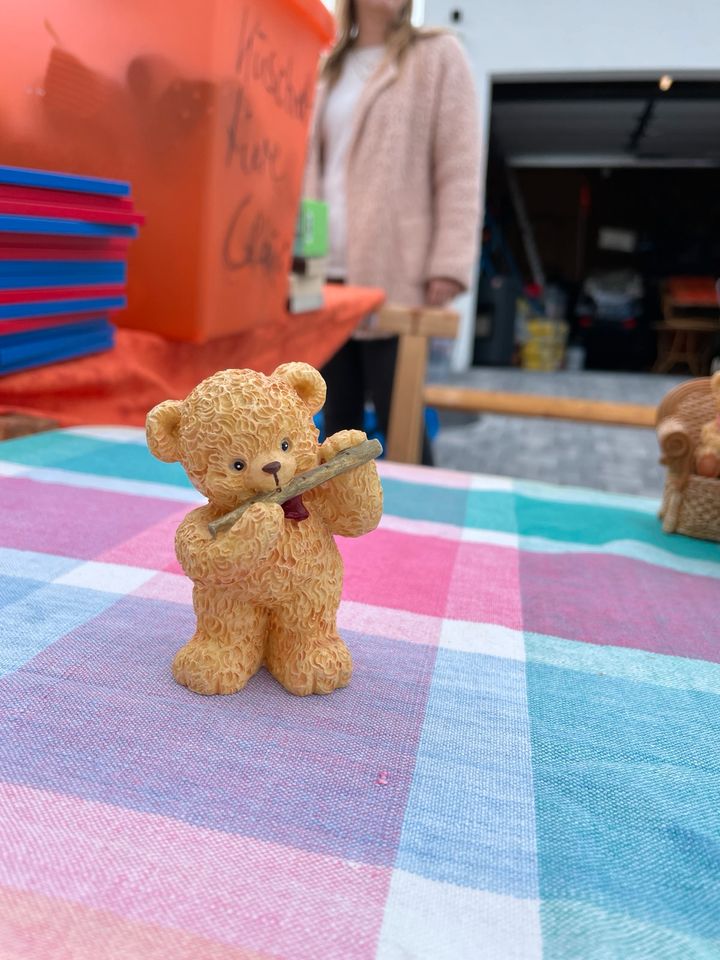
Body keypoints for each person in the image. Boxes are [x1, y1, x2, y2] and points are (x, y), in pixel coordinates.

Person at [303, 0, 481, 465]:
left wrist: (449, 262)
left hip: (395, 269)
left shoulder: (437, 54)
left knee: (400, 420)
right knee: (333, 427)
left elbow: (459, 167)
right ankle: (341, 530)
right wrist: (301, 264)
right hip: (325, 274)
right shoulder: (326, 67)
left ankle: (425, 528)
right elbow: (308, 173)